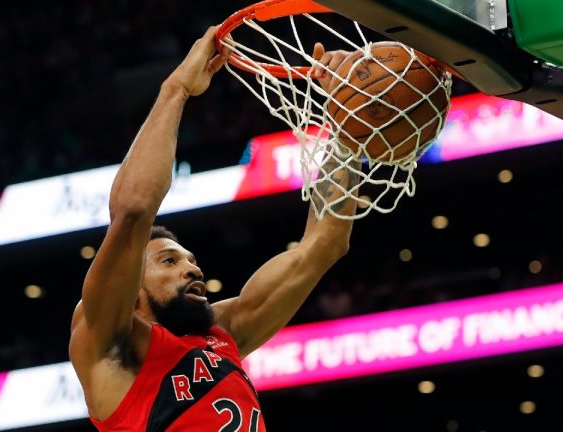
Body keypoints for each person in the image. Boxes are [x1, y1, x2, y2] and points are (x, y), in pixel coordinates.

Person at [69, 26, 357, 432]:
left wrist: (346, 118)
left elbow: (325, 242)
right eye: (169, 261)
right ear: (131, 289)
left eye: (191, 261)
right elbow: (134, 210)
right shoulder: (110, 346)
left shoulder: (224, 334)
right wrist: (176, 89)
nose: (193, 269)